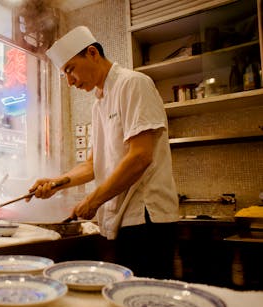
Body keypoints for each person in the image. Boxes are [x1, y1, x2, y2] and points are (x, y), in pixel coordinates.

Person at [28, 26, 179, 279]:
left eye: (70, 69)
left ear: (92, 53)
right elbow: (91, 165)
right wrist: (56, 183)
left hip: (148, 219)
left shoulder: (133, 84)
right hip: (125, 221)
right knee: (126, 299)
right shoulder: (100, 103)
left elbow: (141, 156)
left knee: (147, 302)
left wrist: (93, 200)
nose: (70, 81)